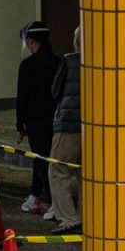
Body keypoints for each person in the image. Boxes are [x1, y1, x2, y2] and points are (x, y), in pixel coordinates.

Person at [15, 21, 60, 215]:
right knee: (42, 158)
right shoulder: (59, 63)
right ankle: (35, 196)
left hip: (34, 120)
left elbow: (22, 97)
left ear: (32, 42)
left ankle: (55, 203)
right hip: (55, 118)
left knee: (42, 161)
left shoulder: (27, 65)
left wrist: (20, 125)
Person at [48, 27, 83, 234]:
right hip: (94, 127)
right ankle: (87, 215)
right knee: (86, 174)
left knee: (58, 170)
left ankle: (68, 218)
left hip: (68, 123)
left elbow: (55, 91)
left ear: (76, 42)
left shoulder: (69, 62)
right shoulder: (103, 62)